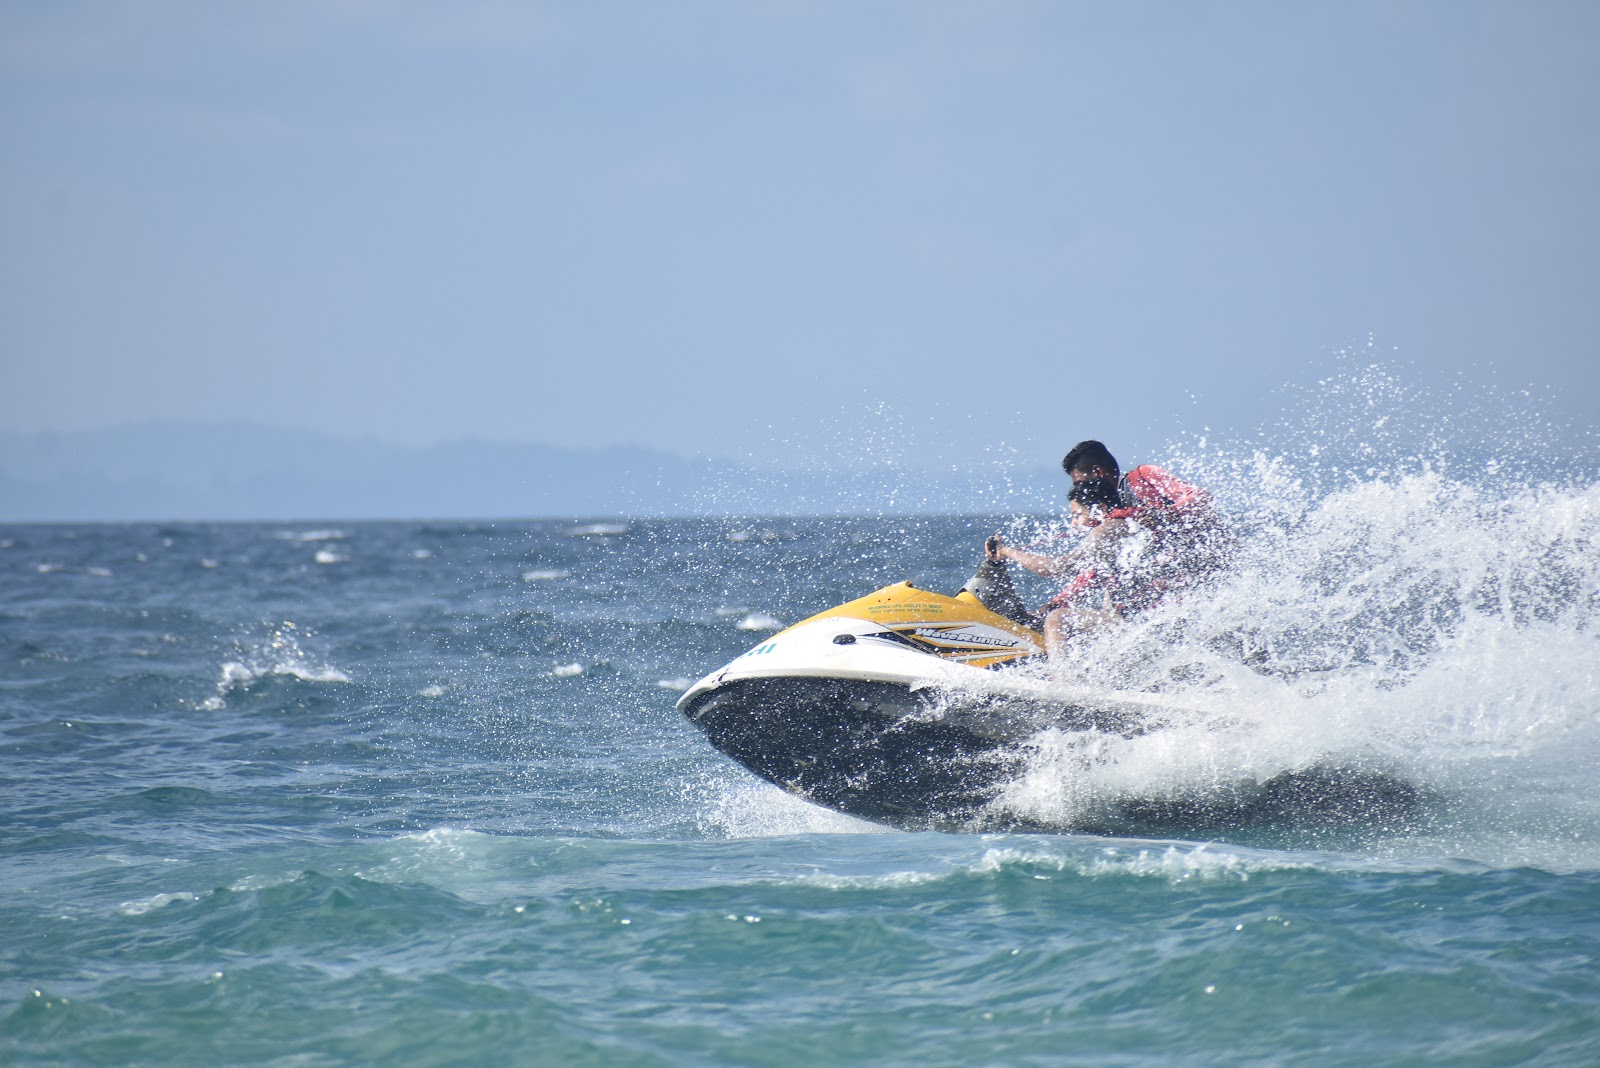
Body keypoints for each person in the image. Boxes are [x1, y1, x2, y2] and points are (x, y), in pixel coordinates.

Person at [983, 440, 1230, 656]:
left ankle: (1065, 684)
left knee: (1065, 619)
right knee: (1095, 607)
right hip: (1158, 590)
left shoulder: (1143, 477)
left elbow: (1201, 497)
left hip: (1201, 573)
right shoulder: (1117, 516)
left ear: (1097, 472)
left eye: (1080, 483)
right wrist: (1053, 604)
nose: (1079, 490)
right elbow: (1095, 571)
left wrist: (1163, 515)